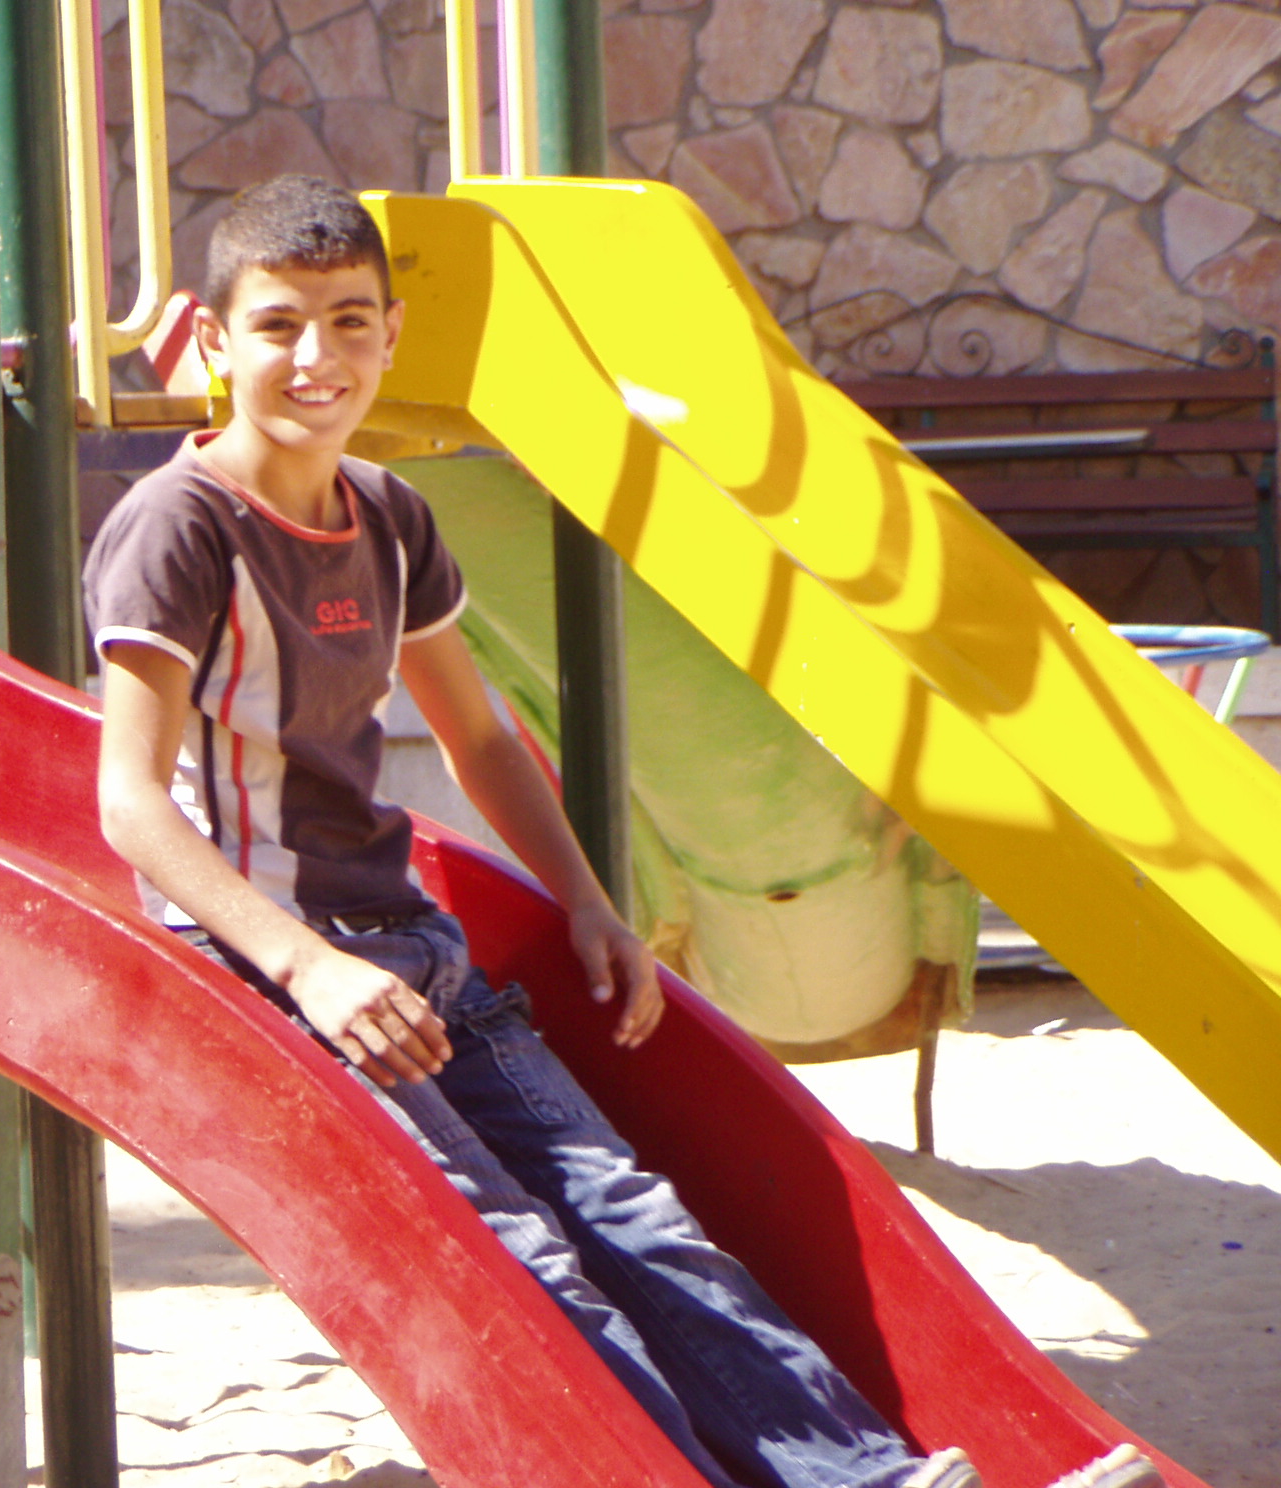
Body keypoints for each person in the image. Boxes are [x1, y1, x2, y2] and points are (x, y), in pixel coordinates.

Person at [82, 172, 1160, 1488]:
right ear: (214, 337)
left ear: (392, 333)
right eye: (280, 325)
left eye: (351, 321)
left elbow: (481, 741)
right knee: (520, 1260)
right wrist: (309, 967)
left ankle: (866, 1480)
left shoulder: (391, 515)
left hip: (408, 945)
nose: (320, 357)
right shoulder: (178, 528)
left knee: (636, 1217)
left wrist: (588, 901)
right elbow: (130, 802)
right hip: (273, 968)